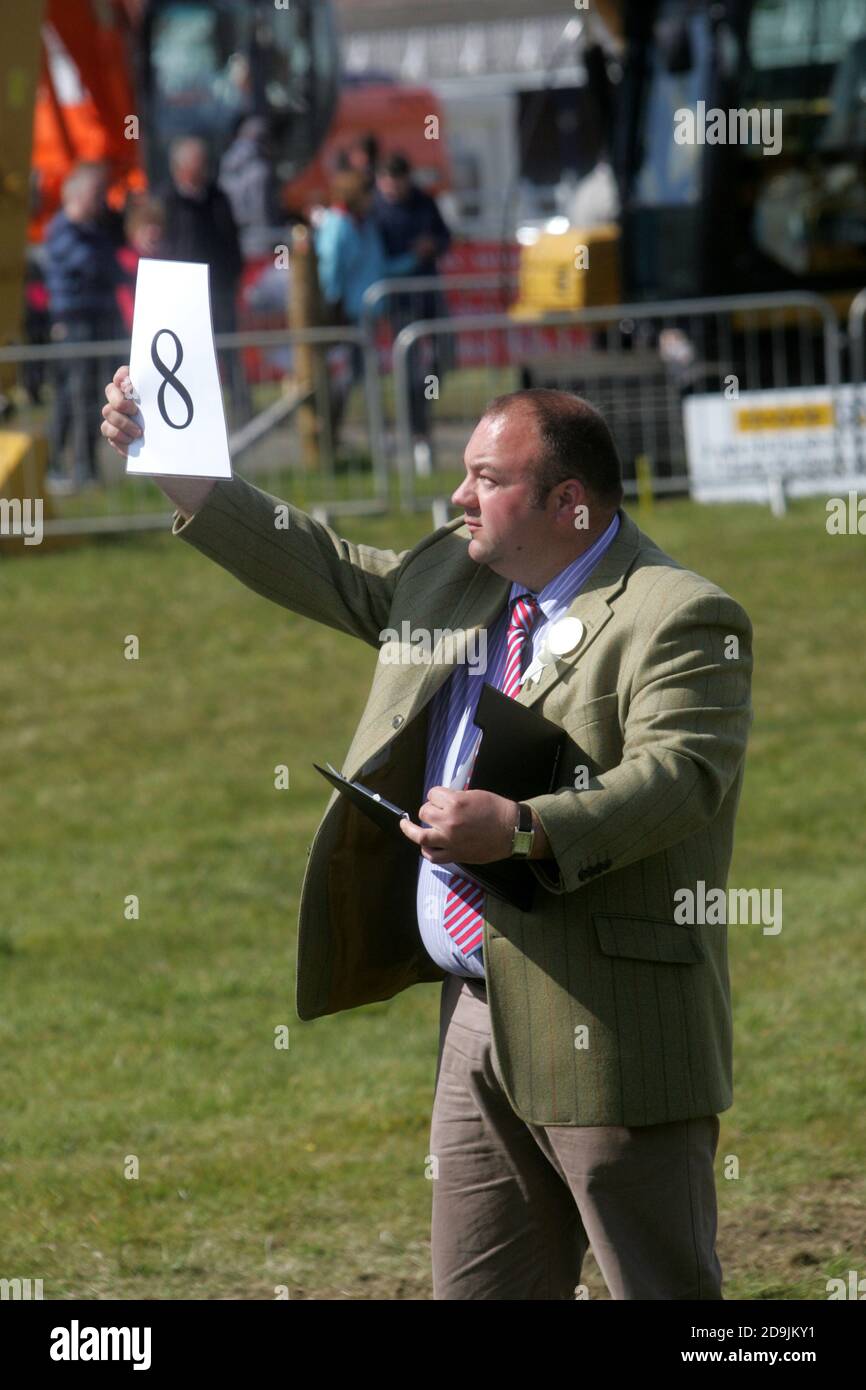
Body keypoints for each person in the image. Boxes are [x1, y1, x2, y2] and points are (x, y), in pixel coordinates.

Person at [101, 375, 753, 1300]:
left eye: (485, 478)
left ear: (568, 503)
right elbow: (328, 567)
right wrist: (183, 471)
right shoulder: (461, 571)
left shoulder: (679, 614)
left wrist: (526, 829)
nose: (458, 497)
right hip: (474, 1019)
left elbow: (679, 781)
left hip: (612, 1026)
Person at [314, 169, 421, 453]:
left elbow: (380, 266)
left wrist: (413, 258)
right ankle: (326, 432)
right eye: (367, 192)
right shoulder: (337, 224)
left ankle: (371, 438)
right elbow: (329, 270)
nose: (373, 198)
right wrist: (331, 307)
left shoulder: (367, 224)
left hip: (369, 312)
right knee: (348, 376)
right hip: (346, 315)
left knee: (366, 376)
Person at [372, 151, 453, 472]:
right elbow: (377, 260)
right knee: (407, 369)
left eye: (398, 181)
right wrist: (409, 257)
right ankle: (418, 434)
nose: (393, 188)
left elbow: (446, 237)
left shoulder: (424, 201)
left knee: (444, 357)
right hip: (399, 303)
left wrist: (433, 245)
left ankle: (420, 408)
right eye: (387, 182)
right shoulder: (375, 211)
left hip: (430, 294)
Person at [44, 164, 124, 486]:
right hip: (74, 322)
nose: (102, 202)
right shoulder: (63, 230)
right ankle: (61, 464)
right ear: (76, 195)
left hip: (96, 318)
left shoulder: (95, 230)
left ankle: (84, 466)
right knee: (73, 395)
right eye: (96, 196)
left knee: (90, 395)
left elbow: (111, 266)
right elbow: (91, 265)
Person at [160, 135, 249, 421]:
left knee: (228, 352)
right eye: (199, 165)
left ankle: (240, 409)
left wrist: (232, 274)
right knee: (189, 356)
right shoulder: (166, 202)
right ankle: (194, 413)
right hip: (182, 295)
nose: (205, 169)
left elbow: (232, 240)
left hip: (219, 289)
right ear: (181, 168)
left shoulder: (218, 197)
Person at [218, 116, 284, 260]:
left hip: (236, 238)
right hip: (261, 240)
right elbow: (262, 211)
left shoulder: (227, 164)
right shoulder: (260, 170)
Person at [116, 197, 167, 333]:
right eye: (145, 227)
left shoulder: (165, 262)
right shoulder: (124, 261)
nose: (152, 233)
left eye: (156, 226)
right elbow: (124, 298)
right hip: (135, 331)